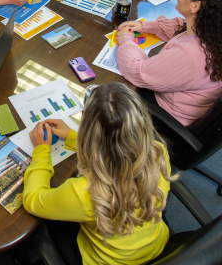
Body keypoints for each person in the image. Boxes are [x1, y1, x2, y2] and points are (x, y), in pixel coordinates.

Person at [23, 83, 174, 265]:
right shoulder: (158, 152)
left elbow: (32, 200)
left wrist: (41, 150)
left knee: (40, 226)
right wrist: (72, 136)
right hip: (157, 246)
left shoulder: (84, 192)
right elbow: (117, 150)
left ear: (88, 132)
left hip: (104, 260)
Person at [116, 0, 222, 127]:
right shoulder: (212, 30)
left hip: (164, 119)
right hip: (186, 105)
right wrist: (145, 26)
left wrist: (125, 39)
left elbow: (135, 71)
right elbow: (181, 25)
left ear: (195, 6)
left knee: (111, 93)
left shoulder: (189, 55)